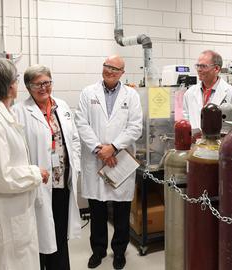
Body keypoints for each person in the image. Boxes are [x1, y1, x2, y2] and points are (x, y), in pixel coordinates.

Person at [0, 56, 49, 270]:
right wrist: (35, 174)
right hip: (2, 219)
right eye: (16, 79)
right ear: (8, 86)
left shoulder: (1, 115)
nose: (18, 83)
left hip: (13, 213)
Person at [75, 54, 143, 269]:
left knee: (122, 210)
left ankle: (120, 251)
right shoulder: (88, 93)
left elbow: (135, 127)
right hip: (96, 158)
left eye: (115, 68)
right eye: (107, 66)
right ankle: (98, 250)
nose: (110, 71)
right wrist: (99, 149)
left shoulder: (131, 95)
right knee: (97, 209)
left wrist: (112, 147)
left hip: (119, 158)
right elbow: (81, 123)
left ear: (123, 73)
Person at [13, 64, 82, 270]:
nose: (44, 88)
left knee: (60, 234)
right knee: (39, 235)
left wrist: (74, 164)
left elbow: (74, 139)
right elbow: (18, 150)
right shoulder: (19, 112)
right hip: (38, 184)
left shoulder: (61, 106)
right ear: (28, 87)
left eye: (47, 82)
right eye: (37, 84)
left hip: (62, 182)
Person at [183, 50, 232, 131]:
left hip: (221, 142)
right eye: (198, 66)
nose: (199, 69)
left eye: (203, 66)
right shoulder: (189, 93)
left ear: (216, 69)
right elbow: (185, 120)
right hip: (195, 142)